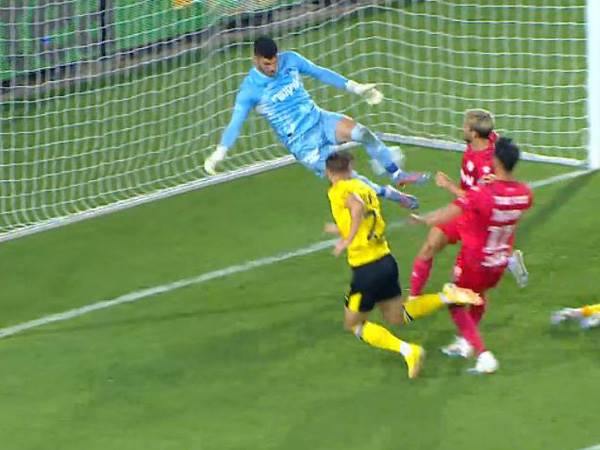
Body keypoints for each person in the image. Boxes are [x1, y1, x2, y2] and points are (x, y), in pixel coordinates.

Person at [204, 36, 428, 210]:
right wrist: (221, 151)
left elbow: (320, 73)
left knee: (363, 133)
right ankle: (392, 195)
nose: (273, 68)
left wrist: (356, 88)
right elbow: (235, 123)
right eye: (267, 64)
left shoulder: (290, 60)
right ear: (256, 60)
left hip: (319, 119)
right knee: (349, 179)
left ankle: (398, 175)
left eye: (275, 62)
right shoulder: (250, 90)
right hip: (302, 144)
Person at [324, 151, 482, 378]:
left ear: (329, 172)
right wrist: (340, 228)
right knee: (398, 316)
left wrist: (346, 240)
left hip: (365, 270)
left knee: (354, 324)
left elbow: (357, 208)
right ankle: (446, 296)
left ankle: (409, 350)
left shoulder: (338, 190)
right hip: (385, 261)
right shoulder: (363, 187)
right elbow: (365, 216)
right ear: (350, 168)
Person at [408, 109, 529, 357]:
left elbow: (476, 199)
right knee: (430, 244)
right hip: (468, 208)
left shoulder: (487, 165)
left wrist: (449, 185)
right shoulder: (486, 140)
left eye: (465, 126)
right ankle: (414, 299)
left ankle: (472, 344)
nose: (462, 128)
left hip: (474, 214)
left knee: (470, 287)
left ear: (473, 133)